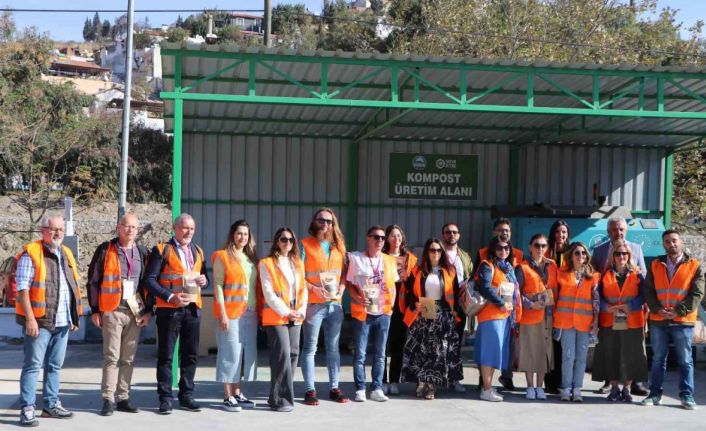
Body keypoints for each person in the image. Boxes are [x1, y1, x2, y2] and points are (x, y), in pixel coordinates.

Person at [16, 216, 82, 427]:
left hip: (62, 321)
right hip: (40, 322)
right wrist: (30, 319)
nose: (58, 233)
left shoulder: (66, 253)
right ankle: (27, 408)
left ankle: (50, 405)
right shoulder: (32, 254)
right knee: (33, 366)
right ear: (42, 231)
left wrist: (73, 315)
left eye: (61, 229)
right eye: (53, 229)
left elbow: (71, 287)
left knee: (55, 366)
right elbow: (22, 290)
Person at [144, 213, 209, 415]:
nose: (188, 232)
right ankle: (165, 398)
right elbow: (149, 280)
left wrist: (204, 281)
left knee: (190, 355)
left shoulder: (198, 251)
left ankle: (187, 395)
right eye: (184, 227)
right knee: (166, 356)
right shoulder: (162, 249)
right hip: (169, 310)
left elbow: (203, 275)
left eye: (191, 228)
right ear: (175, 228)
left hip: (192, 309)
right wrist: (170, 297)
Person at [87, 213, 151, 416]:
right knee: (111, 357)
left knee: (128, 358)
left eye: (134, 227)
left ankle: (123, 397)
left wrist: (148, 311)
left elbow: (147, 284)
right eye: (126, 226)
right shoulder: (106, 250)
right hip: (112, 310)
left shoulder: (142, 252)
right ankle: (108, 398)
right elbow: (93, 281)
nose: (130, 230)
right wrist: (95, 310)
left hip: (135, 313)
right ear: (118, 227)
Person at [641, 229, 704, 410]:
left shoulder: (695, 265)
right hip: (659, 319)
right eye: (667, 241)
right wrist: (656, 309)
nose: (671, 244)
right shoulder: (655, 264)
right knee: (658, 358)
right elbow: (648, 290)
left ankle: (687, 396)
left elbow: (697, 293)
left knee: (685, 360)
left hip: (682, 320)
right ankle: (654, 395)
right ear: (663, 244)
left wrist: (678, 311)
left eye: (674, 240)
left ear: (681, 242)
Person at [590, 216, 648, 395]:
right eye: (615, 230)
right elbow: (594, 282)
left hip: (632, 316)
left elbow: (643, 280)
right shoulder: (599, 251)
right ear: (609, 232)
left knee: (633, 351)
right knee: (610, 350)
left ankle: (633, 385)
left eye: (621, 229)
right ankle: (610, 383)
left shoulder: (636, 249)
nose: (619, 233)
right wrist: (604, 305)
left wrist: (632, 305)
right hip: (609, 316)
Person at [401, 238, 463, 400]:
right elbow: (408, 293)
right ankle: (421, 382)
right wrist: (414, 303)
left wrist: (454, 314)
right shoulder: (417, 270)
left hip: (442, 314)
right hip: (423, 312)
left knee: (437, 352)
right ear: (427, 252)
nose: (435, 253)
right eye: (432, 250)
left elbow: (456, 294)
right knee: (422, 351)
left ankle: (431, 386)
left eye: (438, 250)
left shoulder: (450, 270)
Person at [300, 209, 349, 405]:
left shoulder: (339, 247)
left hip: (335, 305)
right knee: (310, 348)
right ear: (314, 221)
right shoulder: (305, 245)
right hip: (313, 304)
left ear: (333, 224)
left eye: (328, 221)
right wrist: (313, 288)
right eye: (321, 220)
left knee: (333, 349)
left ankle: (334, 387)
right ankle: (310, 390)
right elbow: (298, 275)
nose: (324, 224)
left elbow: (345, 274)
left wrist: (342, 290)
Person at [347, 225, 399, 402]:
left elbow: (393, 286)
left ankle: (377, 387)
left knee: (380, 353)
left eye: (383, 238)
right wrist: (356, 297)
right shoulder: (356, 258)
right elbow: (349, 284)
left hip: (384, 312)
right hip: (363, 312)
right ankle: (360, 388)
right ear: (368, 238)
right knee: (360, 353)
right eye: (376, 237)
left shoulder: (389, 261)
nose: (380, 241)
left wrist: (391, 307)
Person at [258, 227, 308, 412]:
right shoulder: (267, 263)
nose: (287, 243)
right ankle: (283, 400)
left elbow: (303, 290)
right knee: (283, 354)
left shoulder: (297, 263)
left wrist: (300, 311)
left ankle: (276, 395)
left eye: (290, 240)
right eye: (283, 239)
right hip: (277, 315)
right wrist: (287, 311)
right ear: (276, 241)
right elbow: (269, 293)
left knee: (294, 354)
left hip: (296, 314)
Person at [211, 220, 259, 412]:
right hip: (230, 313)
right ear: (232, 235)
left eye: (246, 234)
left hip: (250, 313)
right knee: (230, 354)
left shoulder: (250, 258)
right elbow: (218, 285)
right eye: (239, 233)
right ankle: (227, 396)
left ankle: (237, 393)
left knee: (243, 355)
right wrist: (222, 313)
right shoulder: (222, 257)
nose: (243, 237)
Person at [473, 218, 523, 390]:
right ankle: (485, 386)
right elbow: (483, 285)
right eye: (500, 247)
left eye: (506, 247)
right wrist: (501, 302)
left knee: (497, 352)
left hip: (506, 314)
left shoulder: (508, 266)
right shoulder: (487, 262)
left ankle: (493, 384)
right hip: (492, 313)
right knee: (489, 352)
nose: (504, 250)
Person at [554, 242, 599, 402]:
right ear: (570, 256)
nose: (581, 256)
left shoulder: (593, 276)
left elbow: (596, 301)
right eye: (577, 253)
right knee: (568, 356)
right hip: (566, 322)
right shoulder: (560, 273)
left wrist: (596, 321)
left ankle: (577, 388)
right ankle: (566, 388)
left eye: (583, 253)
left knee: (581, 357)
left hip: (585, 323)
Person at [516, 234, 557, 401]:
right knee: (529, 351)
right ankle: (530, 386)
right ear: (530, 247)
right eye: (536, 245)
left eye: (543, 245)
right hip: (530, 315)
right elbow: (516, 293)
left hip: (547, 315)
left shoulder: (552, 266)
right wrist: (530, 304)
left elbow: (555, 289)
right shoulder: (522, 267)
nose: (540, 249)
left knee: (543, 351)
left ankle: (540, 386)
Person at [382, 224, 417, 396]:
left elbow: (417, 282)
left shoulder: (410, 259)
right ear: (387, 239)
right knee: (381, 344)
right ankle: (381, 381)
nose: (396, 239)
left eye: (399, 235)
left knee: (398, 345)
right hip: (383, 305)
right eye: (392, 236)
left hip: (402, 308)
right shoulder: (380, 257)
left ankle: (395, 380)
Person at [440, 222, 472, 393]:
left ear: (458, 235)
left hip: (459, 305)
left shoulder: (465, 257)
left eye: (454, 232)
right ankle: (434, 378)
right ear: (442, 235)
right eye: (448, 232)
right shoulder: (436, 253)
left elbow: (470, 277)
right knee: (436, 342)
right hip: (440, 304)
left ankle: (454, 378)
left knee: (456, 343)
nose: (451, 235)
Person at [544, 219, 570, 394]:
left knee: (563, 346)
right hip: (548, 306)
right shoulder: (545, 253)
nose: (560, 235)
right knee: (549, 345)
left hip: (566, 307)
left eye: (564, 232)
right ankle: (549, 382)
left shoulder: (571, 253)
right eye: (557, 232)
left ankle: (562, 381)